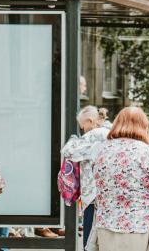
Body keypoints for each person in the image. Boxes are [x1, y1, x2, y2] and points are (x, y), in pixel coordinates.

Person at [92, 107, 149, 250]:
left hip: (104, 225)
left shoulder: (101, 151)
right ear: (144, 126)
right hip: (138, 226)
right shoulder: (147, 153)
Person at [61, 106, 110, 248]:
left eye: (83, 126)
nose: (82, 130)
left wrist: (72, 139)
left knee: (90, 239)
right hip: (109, 194)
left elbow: (68, 151)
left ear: (90, 121)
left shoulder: (95, 134)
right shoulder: (112, 131)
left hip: (94, 195)